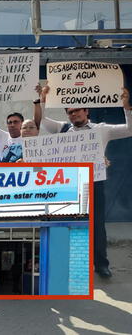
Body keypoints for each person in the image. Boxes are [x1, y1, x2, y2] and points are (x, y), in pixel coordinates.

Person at [40, 86, 132, 278]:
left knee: (97, 225)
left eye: (77, 110)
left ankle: (101, 265)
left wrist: (126, 107)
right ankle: (74, 263)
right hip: (69, 184)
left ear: (86, 111)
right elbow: (42, 121)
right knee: (70, 223)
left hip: (94, 182)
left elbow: (129, 129)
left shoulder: (102, 129)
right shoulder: (62, 129)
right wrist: (42, 100)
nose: (74, 114)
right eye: (70, 112)